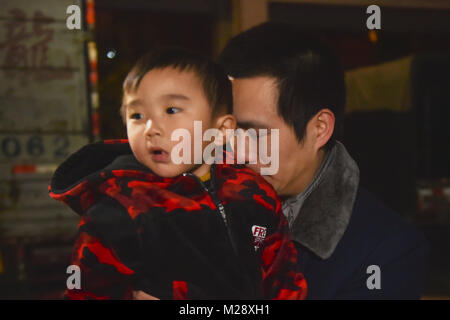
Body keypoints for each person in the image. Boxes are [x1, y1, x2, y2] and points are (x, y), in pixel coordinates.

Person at [49, 47, 307, 300]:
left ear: (222, 129)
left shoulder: (255, 193)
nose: (151, 128)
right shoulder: (117, 212)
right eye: (137, 115)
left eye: (171, 110)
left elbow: (284, 281)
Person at [216, 22, 429, 299]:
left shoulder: (385, 253)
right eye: (226, 130)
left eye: (255, 134)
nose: (236, 152)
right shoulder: (194, 207)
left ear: (319, 128)